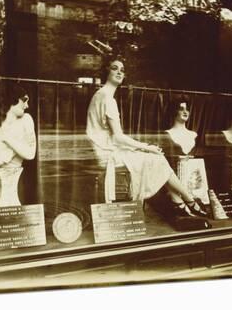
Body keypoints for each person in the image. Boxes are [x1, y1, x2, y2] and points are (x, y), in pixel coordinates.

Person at [86, 56, 206, 217]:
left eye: (122, 70)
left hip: (107, 150)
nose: (119, 72)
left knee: (154, 157)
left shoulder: (100, 94)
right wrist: (146, 147)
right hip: (107, 154)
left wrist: (145, 148)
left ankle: (179, 201)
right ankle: (187, 199)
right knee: (157, 157)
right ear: (106, 71)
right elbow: (118, 138)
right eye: (114, 68)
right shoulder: (107, 98)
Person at [0, 85, 36, 207]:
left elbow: (31, 154)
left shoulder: (27, 120)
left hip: (13, 176)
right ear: (13, 100)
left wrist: (7, 139)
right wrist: (15, 149)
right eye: (24, 100)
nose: (27, 106)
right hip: (2, 178)